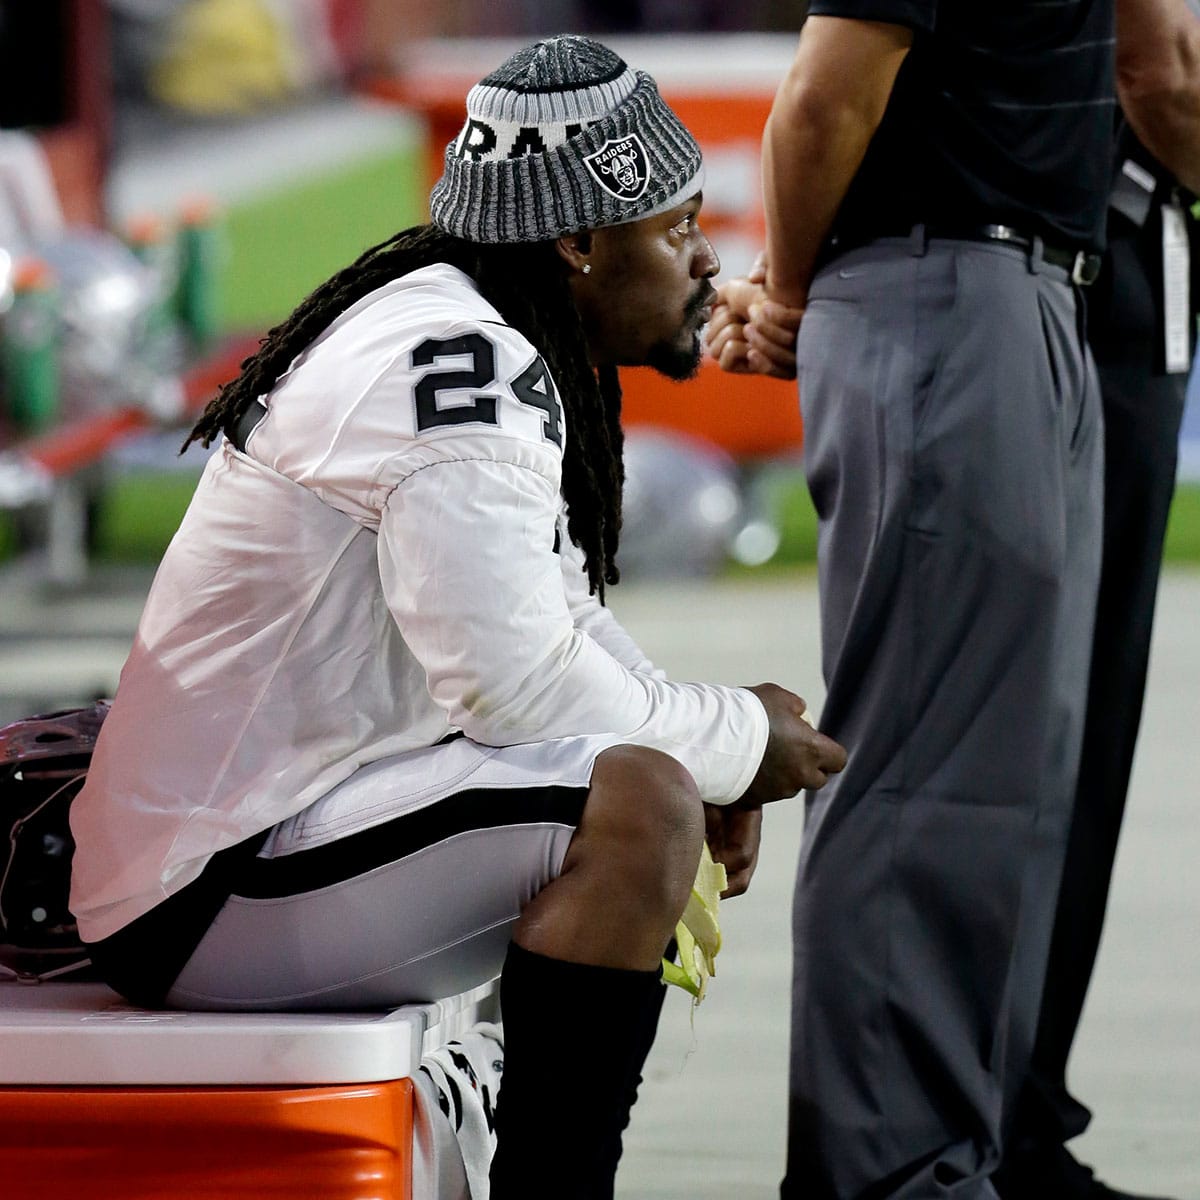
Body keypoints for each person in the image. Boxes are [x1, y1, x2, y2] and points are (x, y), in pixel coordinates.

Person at [66, 35, 846, 1199]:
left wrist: (712, 749)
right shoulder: (459, 361)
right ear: (579, 240)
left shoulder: (471, 325)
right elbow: (519, 687)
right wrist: (729, 743)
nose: (702, 259)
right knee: (638, 808)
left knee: (652, 778)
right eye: (676, 228)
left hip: (261, 832)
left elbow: (559, 629)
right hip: (210, 882)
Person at [706, 1, 1199, 1197]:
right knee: (929, 769)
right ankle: (888, 1171)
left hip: (1029, 284)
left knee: (1001, 783)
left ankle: (949, 1154)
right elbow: (824, 97)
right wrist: (782, 290)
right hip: (945, 282)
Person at [997, 114, 1200, 1200]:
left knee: (1076, 728)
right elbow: (1157, 62)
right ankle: (987, 1120)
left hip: (1112, 250)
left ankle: (1013, 1113)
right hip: (1095, 250)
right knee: (1056, 731)